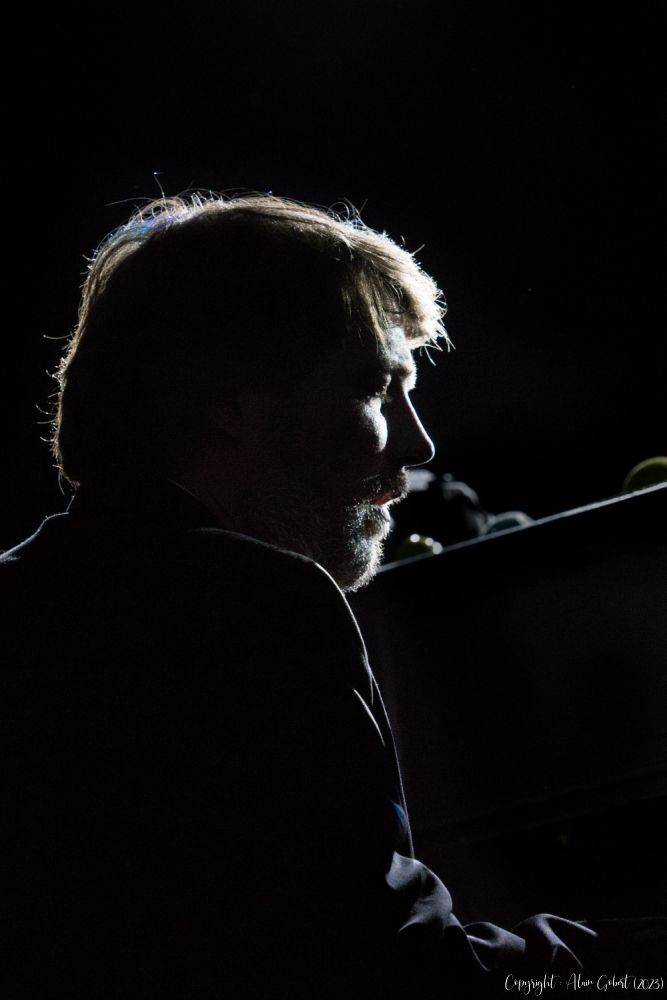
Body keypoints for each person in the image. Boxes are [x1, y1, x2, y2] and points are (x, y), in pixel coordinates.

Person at [0, 194, 642, 996]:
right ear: (229, 402)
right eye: (376, 389)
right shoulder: (256, 606)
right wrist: (622, 966)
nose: (419, 443)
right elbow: (389, 975)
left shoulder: (25, 600)